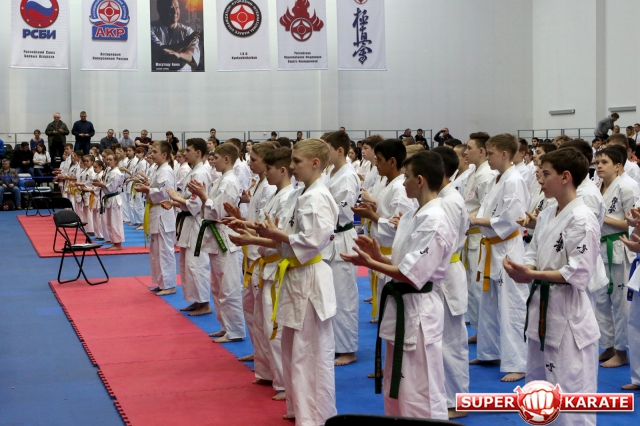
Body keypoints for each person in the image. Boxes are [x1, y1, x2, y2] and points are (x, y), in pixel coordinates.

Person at [342, 151, 455, 420]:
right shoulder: (413, 215)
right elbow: (405, 262)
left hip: (418, 309)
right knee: (399, 383)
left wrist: (371, 263)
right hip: (403, 304)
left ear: (420, 180)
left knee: (420, 386)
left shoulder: (436, 219)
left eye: (407, 177)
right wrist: (379, 258)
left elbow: (413, 273)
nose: (403, 183)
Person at [504, 147, 601, 426]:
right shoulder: (547, 214)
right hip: (541, 312)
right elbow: (533, 252)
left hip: (568, 315)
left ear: (565, 177)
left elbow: (579, 272)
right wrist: (525, 270)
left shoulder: (582, 218)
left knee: (570, 391)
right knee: (539, 388)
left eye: (546, 174)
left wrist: (534, 274)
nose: (540, 179)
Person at [247, 139, 337, 425]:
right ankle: (299, 408)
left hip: (309, 276)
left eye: (297, 161)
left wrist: (277, 235)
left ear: (315, 163)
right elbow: (286, 236)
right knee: (292, 349)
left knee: (309, 352)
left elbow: (313, 241)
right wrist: (261, 234)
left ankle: (315, 416)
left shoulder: (317, 197)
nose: (293, 166)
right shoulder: (302, 194)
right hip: (294, 275)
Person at [228, 147, 295, 400]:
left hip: (276, 264)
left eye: (265, 166)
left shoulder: (286, 197)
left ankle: (284, 382)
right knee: (261, 322)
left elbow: (279, 237)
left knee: (274, 327)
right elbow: (263, 225)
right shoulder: (274, 192)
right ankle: (267, 371)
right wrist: (243, 222)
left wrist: (250, 236)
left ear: (281, 169)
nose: (263, 171)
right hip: (263, 263)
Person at [470, 133, 529, 383]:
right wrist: (475, 221)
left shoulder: (514, 180)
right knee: (490, 302)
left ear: (505, 154)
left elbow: (511, 219)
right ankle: (490, 352)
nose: (488, 158)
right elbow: (488, 211)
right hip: (492, 247)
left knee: (511, 306)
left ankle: (519, 363)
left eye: (491, 153)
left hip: (507, 248)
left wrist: (475, 220)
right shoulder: (497, 178)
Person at [223, 142, 276, 364]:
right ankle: (260, 353)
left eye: (254, 160)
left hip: (261, 253)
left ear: (267, 161)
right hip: (252, 252)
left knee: (263, 312)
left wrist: (245, 226)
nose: (249, 163)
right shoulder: (261, 184)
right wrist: (241, 219)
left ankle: (269, 360)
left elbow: (266, 226)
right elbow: (256, 220)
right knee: (251, 307)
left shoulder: (270, 188)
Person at [187, 143, 245, 343]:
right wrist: (206, 197)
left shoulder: (230, 181)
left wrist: (204, 196)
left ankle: (235, 330)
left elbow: (219, 212)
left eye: (216, 158)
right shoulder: (221, 179)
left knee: (229, 288)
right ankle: (225, 326)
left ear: (226, 159)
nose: (213, 162)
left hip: (226, 238)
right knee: (217, 287)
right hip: (215, 234)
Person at [353, 140, 415, 324]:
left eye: (379, 160)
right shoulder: (389, 184)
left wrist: (372, 216)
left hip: (392, 257)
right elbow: (387, 214)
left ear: (392, 162)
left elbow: (400, 228)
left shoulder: (400, 188)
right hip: (383, 254)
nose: (376, 163)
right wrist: (373, 209)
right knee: (385, 313)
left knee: (393, 316)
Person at [432, 147, 470, 419]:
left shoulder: (449, 201)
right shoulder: (444, 197)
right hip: (443, 271)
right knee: (441, 339)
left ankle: (457, 402)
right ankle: (443, 396)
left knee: (451, 341)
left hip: (447, 272)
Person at [322, 131, 361, 366]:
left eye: (326, 149)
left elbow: (341, 212)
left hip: (342, 237)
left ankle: (348, 349)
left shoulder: (347, 177)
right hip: (330, 239)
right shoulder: (331, 172)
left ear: (339, 150)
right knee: (332, 295)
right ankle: (334, 343)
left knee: (344, 296)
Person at [161, 139, 212, 316]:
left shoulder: (200, 173)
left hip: (196, 224)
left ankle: (205, 303)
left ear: (198, 152)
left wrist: (176, 198)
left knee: (197, 265)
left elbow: (195, 205)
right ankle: (196, 300)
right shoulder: (193, 171)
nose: (185, 153)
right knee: (188, 265)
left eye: (188, 150)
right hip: (188, 222)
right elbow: (188, 200)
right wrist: (174, 202)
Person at [593, 147, 633, 368]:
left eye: (604, 162)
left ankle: (621, 351)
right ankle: (607, 346)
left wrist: (602, 218)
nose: (599, 166)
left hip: (618, 247)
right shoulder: (596, 186)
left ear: (618, 166)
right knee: (601, 301)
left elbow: (632, 224)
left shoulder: (627, 187)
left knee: (620, 303)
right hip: (599, 249)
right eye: (597, 162)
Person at [460, 132, 497, 340]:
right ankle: (480, 329)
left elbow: (486, 209)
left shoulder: (486, 176)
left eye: (469, 148)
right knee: (472, 288)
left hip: (478, 235)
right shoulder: (474, 172)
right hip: (470, 235)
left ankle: (487, 333)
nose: (466, 152)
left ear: (481, 151)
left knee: (478, 287)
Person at [134, 142, 177, 296]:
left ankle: (169, 285)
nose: (151, 154)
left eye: (154, 152)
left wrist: (148, 189)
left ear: (164, 154)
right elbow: (157, 189)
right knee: (156, 251)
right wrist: (148, 187)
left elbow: (166, 193)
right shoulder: (157, 169)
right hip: (156, 211)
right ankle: (161, 283)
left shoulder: (166, 171)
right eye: (150, 151)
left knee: (165, 251)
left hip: (163, 213)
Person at [151, 0, 201, 72]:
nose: (175, 12)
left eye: (177, 7)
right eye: (171, 8)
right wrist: (183, 44)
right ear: (160, 10)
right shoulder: (150, 28)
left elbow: (193, 61)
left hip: (183, 77)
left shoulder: (187, 31)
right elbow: (161, 50)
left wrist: (179, 55)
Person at [92, 153, 125, 250]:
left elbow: (111, 187)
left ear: (116, 161)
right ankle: (114, 241)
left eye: (111, 159)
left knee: (115, 222)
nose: (108, 161)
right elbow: (107, 184)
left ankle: (118, 244)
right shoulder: (110, 171)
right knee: (110, 222)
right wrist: (100, 183)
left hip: (114, 198)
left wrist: (100, 184)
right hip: (109, 198)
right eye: (108, 159)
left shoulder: (116, 173)